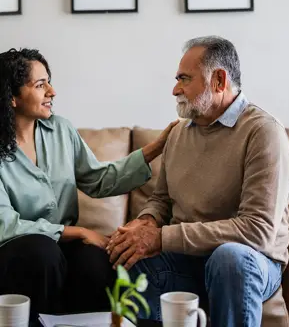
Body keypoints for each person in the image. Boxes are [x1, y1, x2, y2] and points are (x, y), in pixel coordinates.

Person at [107, 36, 289, 327]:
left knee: (229, 259)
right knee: (130, 260)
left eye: (184, 79)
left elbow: (257, 231)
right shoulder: (179, 133)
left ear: (219, 80)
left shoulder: (263, 133)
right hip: (187, 257)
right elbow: (161, 200)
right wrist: (145, 223)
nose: (175, 89)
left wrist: (161, 237)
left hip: (250, 261)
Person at [0, 48, 177, 322]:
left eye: (49, 81)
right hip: (17, 249)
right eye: (40, 84)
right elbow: (6, 224)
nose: (52, 91)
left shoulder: (61, 130)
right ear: (11, 97)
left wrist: (155, 148)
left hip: (60, 247)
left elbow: (98, 179)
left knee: (95, 261)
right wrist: (79, 231)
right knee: (41, 253)